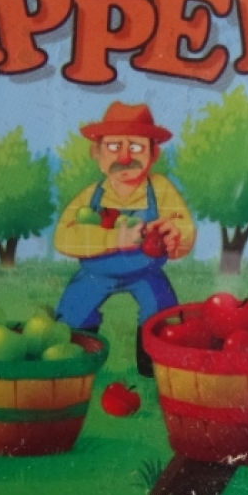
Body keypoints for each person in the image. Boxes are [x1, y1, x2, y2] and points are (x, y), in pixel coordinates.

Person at [54, 102, 195, 376]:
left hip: (146, 271)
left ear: (153, 154)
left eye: (136, 147)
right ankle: (75, 367)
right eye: (113, 146)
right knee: (73, 313)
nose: (124, 156)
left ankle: (154, 369)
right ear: (96, 153)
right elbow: (62, 236)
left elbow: (183, 225)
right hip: (95, 273)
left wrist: (176, 236)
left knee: (161, 313)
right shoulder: (91, 195)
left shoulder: (160, 188)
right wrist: (114, 238)